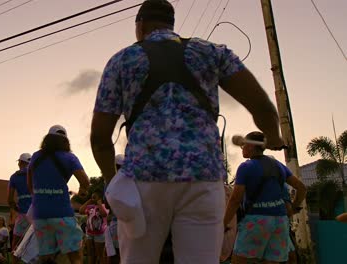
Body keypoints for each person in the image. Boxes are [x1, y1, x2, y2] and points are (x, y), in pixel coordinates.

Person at [90, 0, 286, 262]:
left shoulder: (122, 60)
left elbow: (100, 138)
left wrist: (111, 181)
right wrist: (272, 136)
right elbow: (262, 106)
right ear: (172, 24)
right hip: (202, 180)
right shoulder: (213, 53)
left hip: (144, 180)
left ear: (140, 25)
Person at [223, 131, 307, 264]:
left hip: (257, 221)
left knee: (239, 261)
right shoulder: (278, 166)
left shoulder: (246, 167)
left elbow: (235, 199)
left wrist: (224, 223)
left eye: (243, 145)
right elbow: (302, 188)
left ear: (251, 146)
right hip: (280, 222)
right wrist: (294, 207)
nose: (242, 148)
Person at [28, 125, 90, 264]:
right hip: (62, 213)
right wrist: (82, 192)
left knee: (46, 257)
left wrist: (40, 197)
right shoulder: (70, 157)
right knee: (75, 255)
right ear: (65, 141)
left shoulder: (36, 156)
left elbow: (30, 183)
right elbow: (85, 181)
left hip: (40, 214)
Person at [7, 152, 32, 262]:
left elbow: (10, 200)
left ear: (21, 162)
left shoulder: (14, 177)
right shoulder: (36, 174)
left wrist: (16, 208)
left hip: (22, 214)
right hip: (36, 213)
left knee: (16, 244)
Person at [80, 191, 108, 264]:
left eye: (95, 197)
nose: (93, 198)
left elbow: (104, 214)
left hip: (99, 233)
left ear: (99, 198)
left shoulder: (103, 206)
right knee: (90, 254)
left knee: (100, 255)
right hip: (89, 233)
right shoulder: (90, 207)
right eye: (92, 196)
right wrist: (89, 201)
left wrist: (99, 203)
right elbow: (81, 211)